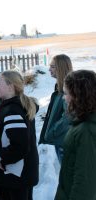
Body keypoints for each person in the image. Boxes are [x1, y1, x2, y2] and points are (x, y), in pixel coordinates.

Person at [0, 70, 39, 200]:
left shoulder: (12, 111)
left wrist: (0, 157)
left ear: (11, 86)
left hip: (15, 176)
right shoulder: (16, 106)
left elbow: (20, 146)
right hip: (19, 176)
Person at [55, 70, 96, 200]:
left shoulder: (86, 131)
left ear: (78, 96)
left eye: (66, 93)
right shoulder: (82, 123)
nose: (63, 97)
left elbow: (84, 181)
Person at [38, 54, 73, 163]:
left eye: (52, 66)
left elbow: (69, 116)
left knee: (69, 178)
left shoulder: (69, 89)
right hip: (61, 141)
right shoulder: (60, 87)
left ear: (61, 68)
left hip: (65, 143)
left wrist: (53, 131)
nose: (49, 69)